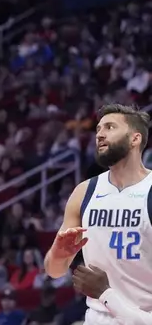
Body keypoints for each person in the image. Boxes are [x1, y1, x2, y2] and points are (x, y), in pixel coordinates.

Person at [44, 104, 152, 324]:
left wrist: (107, 294)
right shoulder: (84, 192)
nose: (100, 134)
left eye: (110, 127)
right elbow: (54, 271)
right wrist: (58, 252)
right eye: (99, 129)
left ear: (135, 139)